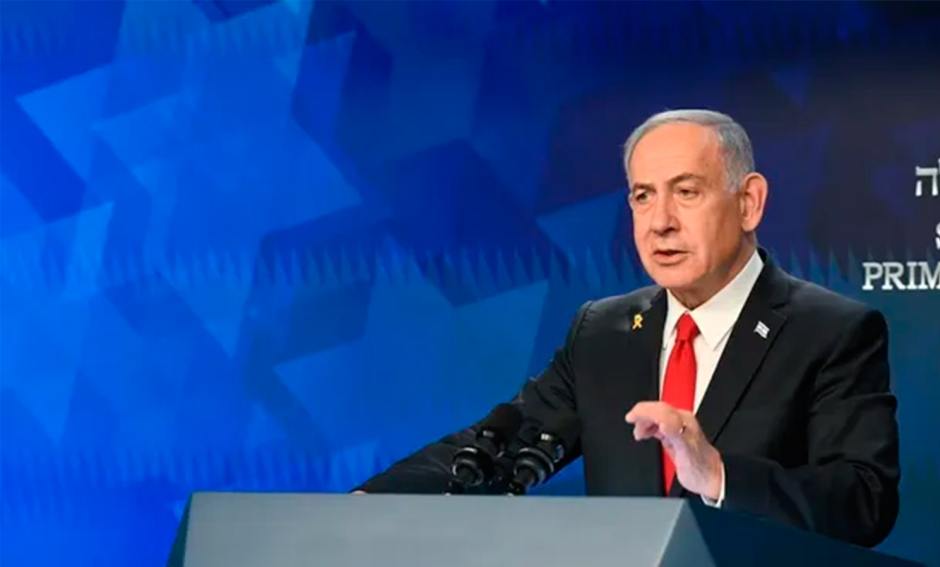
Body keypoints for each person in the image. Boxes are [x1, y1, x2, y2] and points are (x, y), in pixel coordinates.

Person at [354, 109, 899, 547]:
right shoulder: (602, 332)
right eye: (643, 196)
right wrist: (365, 503)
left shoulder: (831, 331)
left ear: (748, 202)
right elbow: (496, 446)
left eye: (686, 192)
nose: (660, 222)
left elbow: (864, 502)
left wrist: (718, 474)